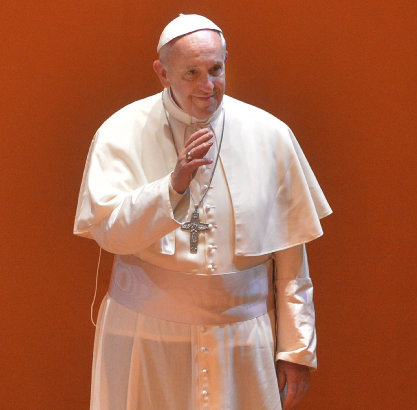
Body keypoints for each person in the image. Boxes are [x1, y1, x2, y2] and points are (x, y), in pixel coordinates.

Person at [74, 13, 331, 410]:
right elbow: (109, 232)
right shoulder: (120, 131)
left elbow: (292, 257)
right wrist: (171, 187)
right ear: (162, 72)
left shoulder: (271, 135)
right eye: (191, 72)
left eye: (215, 69)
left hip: (243, 341)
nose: (206, 86)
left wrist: (297, 351)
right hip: (147, 336)